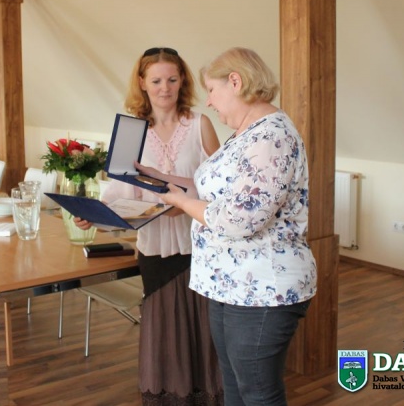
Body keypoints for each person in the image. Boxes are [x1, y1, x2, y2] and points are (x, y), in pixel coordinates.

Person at [141, 47, 317, 406]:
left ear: (235, 82)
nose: (208, 100)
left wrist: (180, 203)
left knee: (258, 393)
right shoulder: (246, 133)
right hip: (230, 284)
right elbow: (214, 190)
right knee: (234, 387)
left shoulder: (271, 137)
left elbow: (238, 219)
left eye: (212, 89)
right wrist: (162, 178)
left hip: (263, 287)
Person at [78, 47, 223, 404]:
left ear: (182, 80)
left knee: (203, 330)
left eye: (172, 79)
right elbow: (118, 191)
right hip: (154, 249)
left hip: (199, 248)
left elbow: (221, 186)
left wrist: (185, 205)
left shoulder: (200, 125)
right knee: (165, 332)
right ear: (142, 83)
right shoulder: (131, 131)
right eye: (156, 81)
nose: (165, 88)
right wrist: (94, 213)